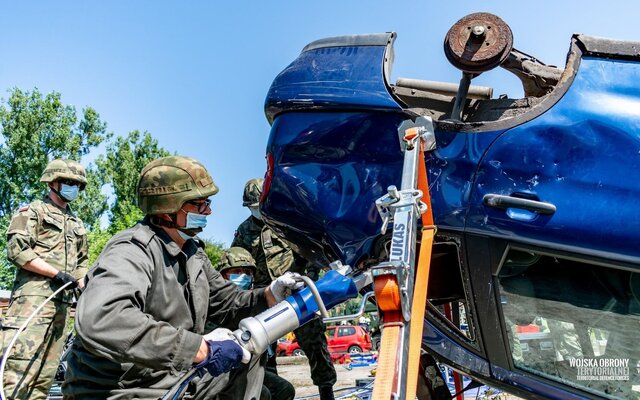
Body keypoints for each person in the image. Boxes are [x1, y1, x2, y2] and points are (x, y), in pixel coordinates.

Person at [61, 156, 302, 400]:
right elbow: (102, 316)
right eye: (199, 204)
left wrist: (270, 295)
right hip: (120, 390)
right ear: (169, 208)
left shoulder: (192, 253)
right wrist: (198, 349)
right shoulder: (132, 250)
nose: (208, 211)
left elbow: (226, 302)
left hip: (166, 378)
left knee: (247, 353)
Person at [232, 178, 337, 400]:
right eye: (251, 208)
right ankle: (274, 393)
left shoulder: (288, 221)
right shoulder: (244, 230)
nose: (256, 211)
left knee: (315, 344)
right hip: (266, 299)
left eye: (257, 205)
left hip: (298, 294)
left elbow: (312, 252)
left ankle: (326, 391)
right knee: (264, 351)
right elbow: (238, 263)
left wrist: (307, 277)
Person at [1, 159, 89, 400]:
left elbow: (81, 262)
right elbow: (17, 250)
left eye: (77, 185)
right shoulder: (33, 211)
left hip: (62, 307)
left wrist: (82, 283)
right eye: (69, 182)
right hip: (33, 301)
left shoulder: (76, 223)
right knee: (18, 372)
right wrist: (56, 274)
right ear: (52, 182)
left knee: (45, 379)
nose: (74, 188)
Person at [215, 247, 295, 400]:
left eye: (247, 272)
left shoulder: (258, 302)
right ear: (222, 275)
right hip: (220, 371)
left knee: (284, 390)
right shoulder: (216, 302)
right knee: (263, 394)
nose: (242, 276)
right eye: (236, 271)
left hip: (250, 369)